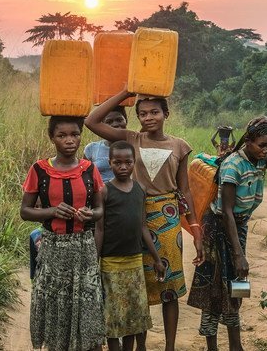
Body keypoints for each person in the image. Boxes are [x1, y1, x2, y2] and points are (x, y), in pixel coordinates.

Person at [85, 90, 204, 351]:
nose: (148, 118)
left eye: (154, 112)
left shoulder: (179, 146)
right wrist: (126, 92)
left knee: (169, 286)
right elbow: (91, 121)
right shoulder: (131, 138)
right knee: (137, 285)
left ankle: (170, 346)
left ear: (166, 114)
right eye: (142, 113)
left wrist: (195, 228)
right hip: (133, 215)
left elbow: (185, 190)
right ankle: (140, 345)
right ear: (136, 117)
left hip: (168, 217)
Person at [187, 117, 267, 351]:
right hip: (216, 229)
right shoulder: (233, 165)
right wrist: (238, 254)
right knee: (212, 291)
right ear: (247, 141)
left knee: (236, 286)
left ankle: (236, 345)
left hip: (238, 229)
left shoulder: (260, 161)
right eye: (261, 145)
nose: (265, 150)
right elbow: (226, 212)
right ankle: (213, 346)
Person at [20, 115, 106, 351]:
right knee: (56, 305)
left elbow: (100, 209)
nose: (69, 140)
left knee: (86, 306)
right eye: (62, 135)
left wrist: (91, 215)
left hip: (83, 247)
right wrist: (52, 211)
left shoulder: (89, 169)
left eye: (75, 134)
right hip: (53, 248)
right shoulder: (39, 170)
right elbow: (25, 211)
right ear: (52, 138)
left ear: (81, 136)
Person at [95, 140, 166, 351]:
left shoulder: (140, 189)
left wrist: (156, 258)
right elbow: (99, 229)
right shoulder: (104, 192)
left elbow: (143, 226)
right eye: (117, 162)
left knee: (134, 314)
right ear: (110, 163)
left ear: (134, 162)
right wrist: (95, 261)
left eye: (128, 162)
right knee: (114, 314)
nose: (123, 167)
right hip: (110, 262)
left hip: (134, 261)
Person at [84, 105, 128, 182]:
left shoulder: (136, 145)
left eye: (119, 120)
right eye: (109, 122)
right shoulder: (92, 148)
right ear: (101, 125)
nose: (115, 124)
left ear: (126, 121)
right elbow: (85, 176)